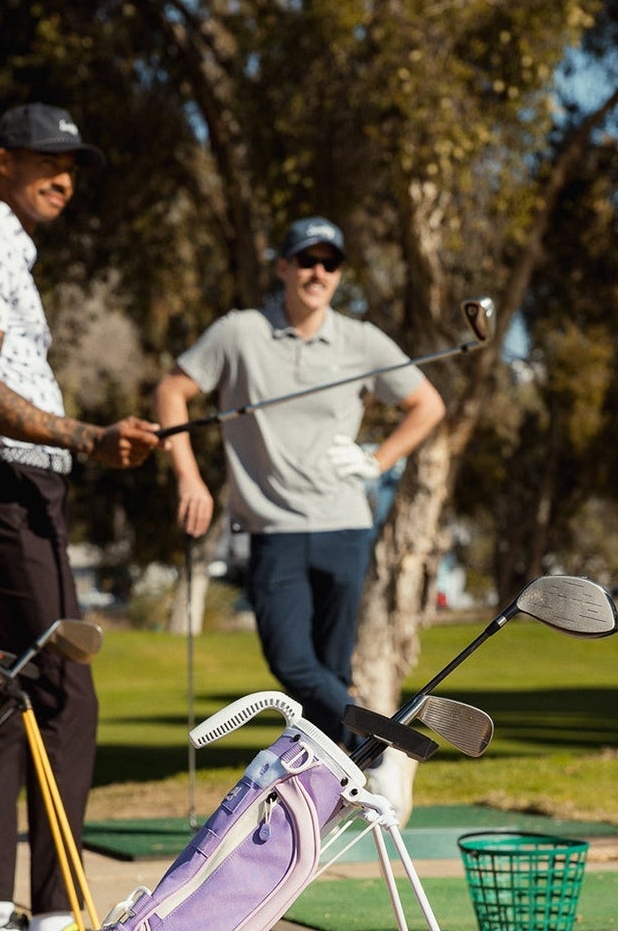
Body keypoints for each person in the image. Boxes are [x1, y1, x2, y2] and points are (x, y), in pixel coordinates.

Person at [0, 102, 160, 931]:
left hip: (6, 487)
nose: (62, 175)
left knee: (7, 693)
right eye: (43, 160)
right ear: (1, 164)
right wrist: (86, 437)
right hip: (3, 487)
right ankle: (52, 923)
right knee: (66, 690)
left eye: (71, 163)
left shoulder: (1, 249)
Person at [155, 215, 446, 745]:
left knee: (329, 678)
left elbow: (427, 405)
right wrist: (189, 478)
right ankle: (376, 741)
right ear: (283, 267)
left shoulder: (360, 342)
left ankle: (328, 801)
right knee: (292, 663)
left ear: (338, 275)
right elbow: (172, 391)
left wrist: (378, 462)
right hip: (273, 531)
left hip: (344, 528)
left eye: (329, 263)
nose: (318, 273)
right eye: (307, 261)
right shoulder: (239, 333)